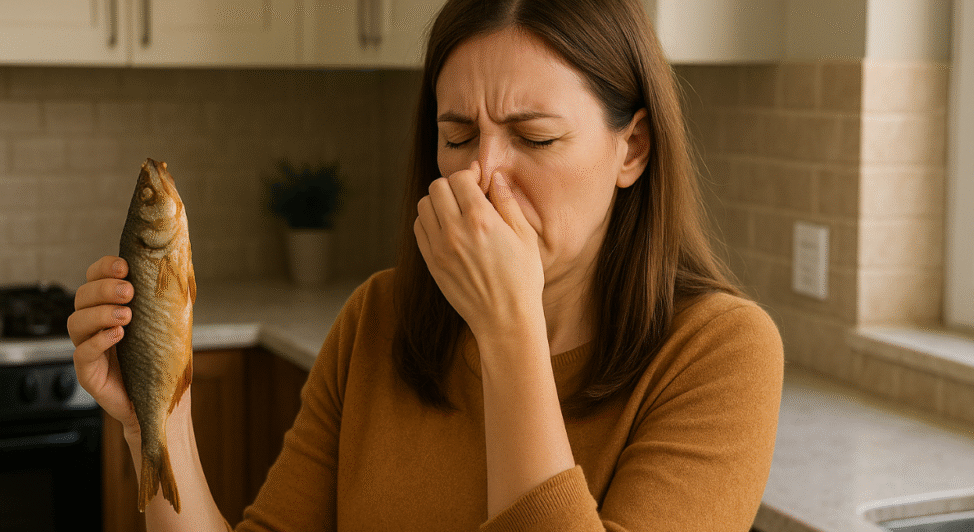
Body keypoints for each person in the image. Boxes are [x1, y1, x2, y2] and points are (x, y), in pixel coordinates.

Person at [67, 0, 784, 530]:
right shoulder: (379, 317)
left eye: (535, 138)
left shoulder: (721, 352)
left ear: (633, 149)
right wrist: (156, 421)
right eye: (458, 136)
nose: (481, 176)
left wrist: (508, 331)